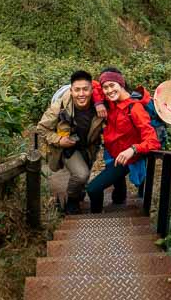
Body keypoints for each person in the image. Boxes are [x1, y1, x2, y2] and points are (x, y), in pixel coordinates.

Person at [85, 68, 161, 214]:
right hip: (113, 153)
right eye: (105, 87)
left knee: (93, 189)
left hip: (127, 158)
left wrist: (133, 149)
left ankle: (95, 219)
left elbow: (153, 141)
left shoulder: (135, 108)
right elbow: (93, 84)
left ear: (121, 84)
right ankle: (119, 200)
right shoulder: (111, 101)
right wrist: (99, 103)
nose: (108, 91)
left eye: (112, 85)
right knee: (117, 189)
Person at [37, 70, 105, 214]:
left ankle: (78, 194)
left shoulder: (100, 106)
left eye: (85, 89)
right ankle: (71, 202)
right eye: (77, 90)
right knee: (81, 174)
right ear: (71, 90)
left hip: (89, 147)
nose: (81, 94)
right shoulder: (60, 106)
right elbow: (42, 128)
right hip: (69, 147)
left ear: (92, 90)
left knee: (82, 178)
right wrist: (59, 140)